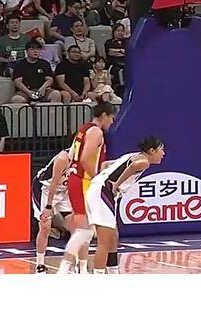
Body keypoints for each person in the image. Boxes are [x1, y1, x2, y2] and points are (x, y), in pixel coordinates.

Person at [87, 137, 166, 274]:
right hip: (103, 192)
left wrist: (101, 179)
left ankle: (113, 272)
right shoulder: (144, 162)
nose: (163, 153)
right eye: (161, 150)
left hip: (100, 190)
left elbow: (105, 164)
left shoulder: (131, 155)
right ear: (152, 151)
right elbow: (134, 166)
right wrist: (116, 184)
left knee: (113, 237)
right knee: (104, 241)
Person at [57, 102, 117, 274]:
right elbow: (84, 159)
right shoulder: (96, 132)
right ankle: (65, 269)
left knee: (84, 230)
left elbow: (74, 156)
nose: (112, 122)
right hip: (84, 181)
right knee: (84, 231)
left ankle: (79, 268)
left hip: (77, 179)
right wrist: (98, 177)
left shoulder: (84, 129)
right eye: (111, 118)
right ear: (104, 115)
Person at [33, 148, 73, 273]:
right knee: (45, 226)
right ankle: (40, 264)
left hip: (64, 191)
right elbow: (53, 184)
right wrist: (48, 206)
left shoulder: (85, 158)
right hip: (45, 189)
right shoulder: (63, 158)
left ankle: (76, 263)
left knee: (76, 226)